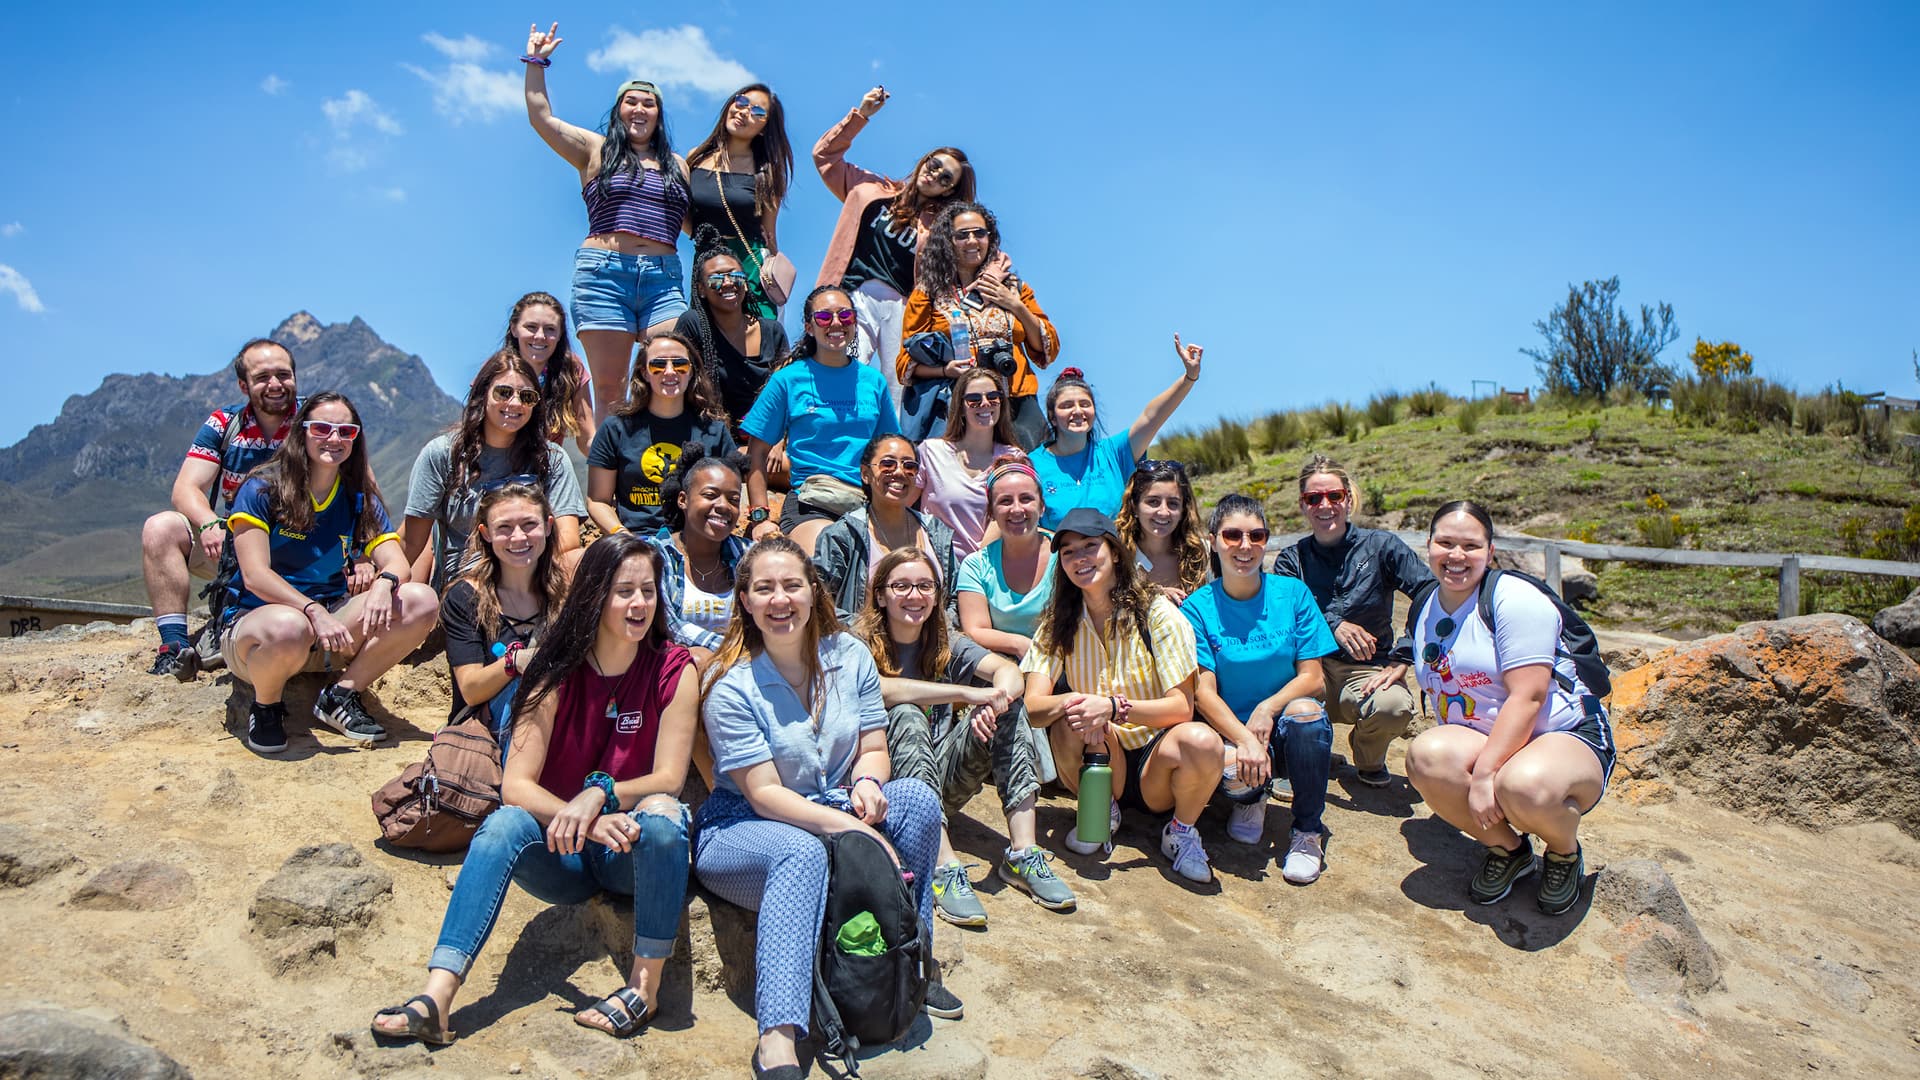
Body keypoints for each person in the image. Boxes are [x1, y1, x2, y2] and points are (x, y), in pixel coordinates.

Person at [370, 533, 698, 1045]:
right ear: (594, 594)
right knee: (503, 825)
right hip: (561, 852)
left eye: (648, 591)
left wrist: (601, 793)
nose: (639, 604)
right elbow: (516, 786)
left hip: (627, 851)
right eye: (623, 591)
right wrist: (583, 815)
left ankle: (644, 989)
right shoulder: (552, 671)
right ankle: (437, 996)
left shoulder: (673, 668)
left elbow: (669, 778)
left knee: (663, 814)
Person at [693, 538, 959, 1079]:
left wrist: (866, 782)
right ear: (744, 600)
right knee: (799, 852)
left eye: (792, 585)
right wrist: (856, 832)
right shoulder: (730, 685)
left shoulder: (850, 656)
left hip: (833, 806)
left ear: (814, 592)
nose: (780, 599)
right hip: (745, 828)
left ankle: (913, 963)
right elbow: (764, 794)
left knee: (918, 803)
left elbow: (874, 746)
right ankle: (779, 1034)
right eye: (763, 588)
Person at [1404, 501, 1616, 916]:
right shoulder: (1426, 604)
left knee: (1523, 786)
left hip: (1561, 733)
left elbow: (1529, 697)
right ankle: (1508, 850)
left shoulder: (1515, 598)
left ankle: (1563, 853)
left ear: (1491, 550)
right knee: (1425, 758)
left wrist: (1484, 776)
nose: (1457, 556)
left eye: (1471, 545)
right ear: (1428, 545)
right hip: (1487, 733)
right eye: (1445, 543)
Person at [855, 549, 1073, 925]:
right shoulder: (855, 643)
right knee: (906, 715)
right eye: (901, 586)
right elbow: (881, 691)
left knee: (1010, 708)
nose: (914, 596)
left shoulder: (945, 641)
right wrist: (965, 694)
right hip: (884, 794)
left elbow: (1008, 672)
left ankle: (1023, 853)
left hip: (939, 779)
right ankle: (942, 866)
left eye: (925, 586)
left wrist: (994, 703)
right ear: (880, 595)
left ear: (938, 595)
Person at [221, 393, 438, 754]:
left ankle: (340, 696)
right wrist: (313, 611)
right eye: (322, 428)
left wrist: (385, 584)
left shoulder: (358, 499)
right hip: (260, 629)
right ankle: (267, 706)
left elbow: (396, 561)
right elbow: (255, 576)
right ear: (300, 433)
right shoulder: (262, 488)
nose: (334, 439)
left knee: (420, 600)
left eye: (346, 431)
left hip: (330, 628)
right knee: (290, 626)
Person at [1018, 508, 1220, 884]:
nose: (1080, 559)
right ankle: (1099, 812)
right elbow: (1033, 707)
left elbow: (1181, 707)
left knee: (1203, 742)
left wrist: (1110, 708)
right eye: (1068, 553)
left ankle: (1181, 831)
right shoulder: (1058, 622)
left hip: (1155, 764)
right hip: (1096, 753)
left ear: (1114, 551)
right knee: (1069, 717)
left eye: (1090, 547)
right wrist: (1079, 704)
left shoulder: (1157, 613)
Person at [524, 22, 690, 420]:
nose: (639, 109)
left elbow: (700, 224)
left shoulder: (678, 166)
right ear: (619, 110)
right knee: (610, 386)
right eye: (631, 102)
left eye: (648, 103)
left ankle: (663, 467)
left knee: (672, 368)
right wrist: (537, 61)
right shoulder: (594, 150)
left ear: (659, 114)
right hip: (604, 274)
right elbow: (541, 117)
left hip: (663, 280)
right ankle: (610, 481)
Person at [1182, 495, 1338, 885]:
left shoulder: (1293, 594)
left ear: (1267, 541)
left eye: (1256, 535)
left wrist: (1267, 709)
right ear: (1213, 540)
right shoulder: (1198, 608)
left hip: (1284, 731)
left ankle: (1306, 831)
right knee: (1236, 765)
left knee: (1308, 715)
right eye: (1232, 535)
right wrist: (1245, 738)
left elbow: (1314, 678)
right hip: (1232, 735)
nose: (1245, 546)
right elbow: (1203, 692)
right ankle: (1252, 798)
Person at [1271, 454, 1435, 788]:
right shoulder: (1292, 560)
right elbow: (1288, 611)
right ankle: (1295, 759)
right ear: (1303, 505)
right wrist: (1334, 623)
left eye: (1334, 496)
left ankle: (1367, 756)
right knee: (1266, 680)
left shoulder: (1382, 547)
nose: (1324, 505)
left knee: (1392, 707)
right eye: (1313, 498)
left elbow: (1429, 592)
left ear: (1348, 498)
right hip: (1309, 666)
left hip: (1366, 669)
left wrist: (1404, 655)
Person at [814, 86, 981, 412]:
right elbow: (825, 156)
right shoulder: (871, 189)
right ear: (923, 161)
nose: (935, 174)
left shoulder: (940, 230)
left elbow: (975, 254)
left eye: (946, 177)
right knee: (845, 365)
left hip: (901, 310)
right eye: (934, 164)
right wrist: (861, 115)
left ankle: (892, 454)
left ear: (950, 191)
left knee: (897, 386)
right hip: (853, 296)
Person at [142, 338, 297, 676]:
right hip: (233, 546)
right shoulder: (223, 424)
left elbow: (360, 485)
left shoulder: (317, 424)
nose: (275, 385)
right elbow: (186, 488)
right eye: (262, 377)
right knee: (161, 528)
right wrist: (209, 523)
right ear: (244, 385)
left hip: (300, 548)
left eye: (283, 375)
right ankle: (174, 646)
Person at [403, 351, 585, 591]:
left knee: (583, 561)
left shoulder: (553, 459)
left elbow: (568, 539)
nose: (515, 403)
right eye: (504, 393)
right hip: (468, 580)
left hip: (533, 574)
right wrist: (384, 581)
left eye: (527, 396)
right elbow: (413, 541)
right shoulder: (442, 454)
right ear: (482, 394)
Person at [740, 285, 901, 554]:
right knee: (828, 555)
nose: (836, 323)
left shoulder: (873, 381)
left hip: (866, 501)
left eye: (845, 316)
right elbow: (756, 454)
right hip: (811, 503)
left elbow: (890, 448)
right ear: (808, 326)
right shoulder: (788, 379)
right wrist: (760, 517)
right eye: (824, 317)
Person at [897, 202, 1058, 448]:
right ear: (947, 242)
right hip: (959, 405)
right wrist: (945, 370)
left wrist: (1013, 304)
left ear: (989, 238)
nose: (972, 241)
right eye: (962, 235)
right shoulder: (927, 294)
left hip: (1017, 402)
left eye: (979, 233)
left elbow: (1048, 347)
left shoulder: (1014, 287)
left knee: (1025, 477)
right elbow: (905, 363)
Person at [1031, 337, 1204, 532]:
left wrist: (1189, 378)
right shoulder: (1032, 464)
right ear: (1052, 418)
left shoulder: (1114, 453)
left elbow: (1151, 417)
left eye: (1085, 404)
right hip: (1058, 559)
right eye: (1067, 405)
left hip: (1113, 559)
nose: (1078, 411)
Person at [440, 482, 570, 735]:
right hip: (487, 729)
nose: (519, 537)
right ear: (486, 533)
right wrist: (515, 662)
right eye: (504, 528)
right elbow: (471, 689)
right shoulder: (465, 598)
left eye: (530, 524)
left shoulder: (565, 595)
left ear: (548, 526)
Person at [585, 331, 737, 539]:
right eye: (658, 365)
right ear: (644, 373)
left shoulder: (714, 430)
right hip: (638, 539)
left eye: (680, 364)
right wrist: (623, 536)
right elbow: (597, 500)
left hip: (698, 541)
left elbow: (730, 494)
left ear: (692, 371)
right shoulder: (616, 428)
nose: (669, 372)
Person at [811, 435, 958, 621]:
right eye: (887, 464)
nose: (899, 472)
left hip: (933, 646)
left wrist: (939, 633)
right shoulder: (843, 536)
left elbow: (955, 597)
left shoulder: (936, 532)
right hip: (865, 645)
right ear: (865, 474)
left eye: (909, 466)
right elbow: (820, 602)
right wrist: (867, 633)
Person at [685, 85, 792, 320]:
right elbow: (683, 215)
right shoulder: (696, 158)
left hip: (749, 264)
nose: (744, 112)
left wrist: (774, 272)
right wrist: (703, 236)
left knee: (761, 339)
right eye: (741, 102)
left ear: (765, 128)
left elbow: (768, 233)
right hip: (707, 263)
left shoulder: (768, 171)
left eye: (758, 112)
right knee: (706, 342)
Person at [675, 229, 790, 434]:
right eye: (716, 279)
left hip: (765, 437)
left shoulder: (773, 331)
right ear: (701, 289)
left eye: (735, 276)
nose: (728, 283)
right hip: (709, 435)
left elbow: (786, 394)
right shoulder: (693, 324)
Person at [644, 443, 750, 658]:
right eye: (711, 495)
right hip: (680, 672)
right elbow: (670, 627)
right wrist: (729, 653)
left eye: (734, 499)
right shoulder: (655, 557)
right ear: (683, 499)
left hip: (744, 671)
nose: (723, 506)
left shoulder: (749, 556)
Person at [954, 454, 1055, 664]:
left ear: (1042, 506)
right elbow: (975, 630)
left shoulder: (1065, 553)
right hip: (1006, 667)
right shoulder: (976, 565)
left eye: (1026, 499)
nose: (1016, 509)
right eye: (1005, 501)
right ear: (991, 511)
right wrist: (1020, 644)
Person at [915, 368, 1020, 559]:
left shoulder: (1015, 458)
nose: (985, 403)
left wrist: (975, 568)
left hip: (989, 570)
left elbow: (1009, 515)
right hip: (935, 568)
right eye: (974, 399)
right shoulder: (930, 451)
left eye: (993, 396)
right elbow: (902, 508)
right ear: (960, 407)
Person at [499, 290, 596, 455]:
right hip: (494, 470)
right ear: (514, 329)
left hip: (543, 472)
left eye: (550, 329)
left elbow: (587, 438)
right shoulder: (496, 370)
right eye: (531, 327)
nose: (540, 336)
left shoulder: (572, 369)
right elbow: (475, 428)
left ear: (560, 335)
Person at [1116, 460, 1209, 604]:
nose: (1164, 512)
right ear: (1134, 506)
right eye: (1153, 502)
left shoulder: (1203, 554)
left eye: (1173, 503)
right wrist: (1154, 597)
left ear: (1183, 509)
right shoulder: (1117, 557)